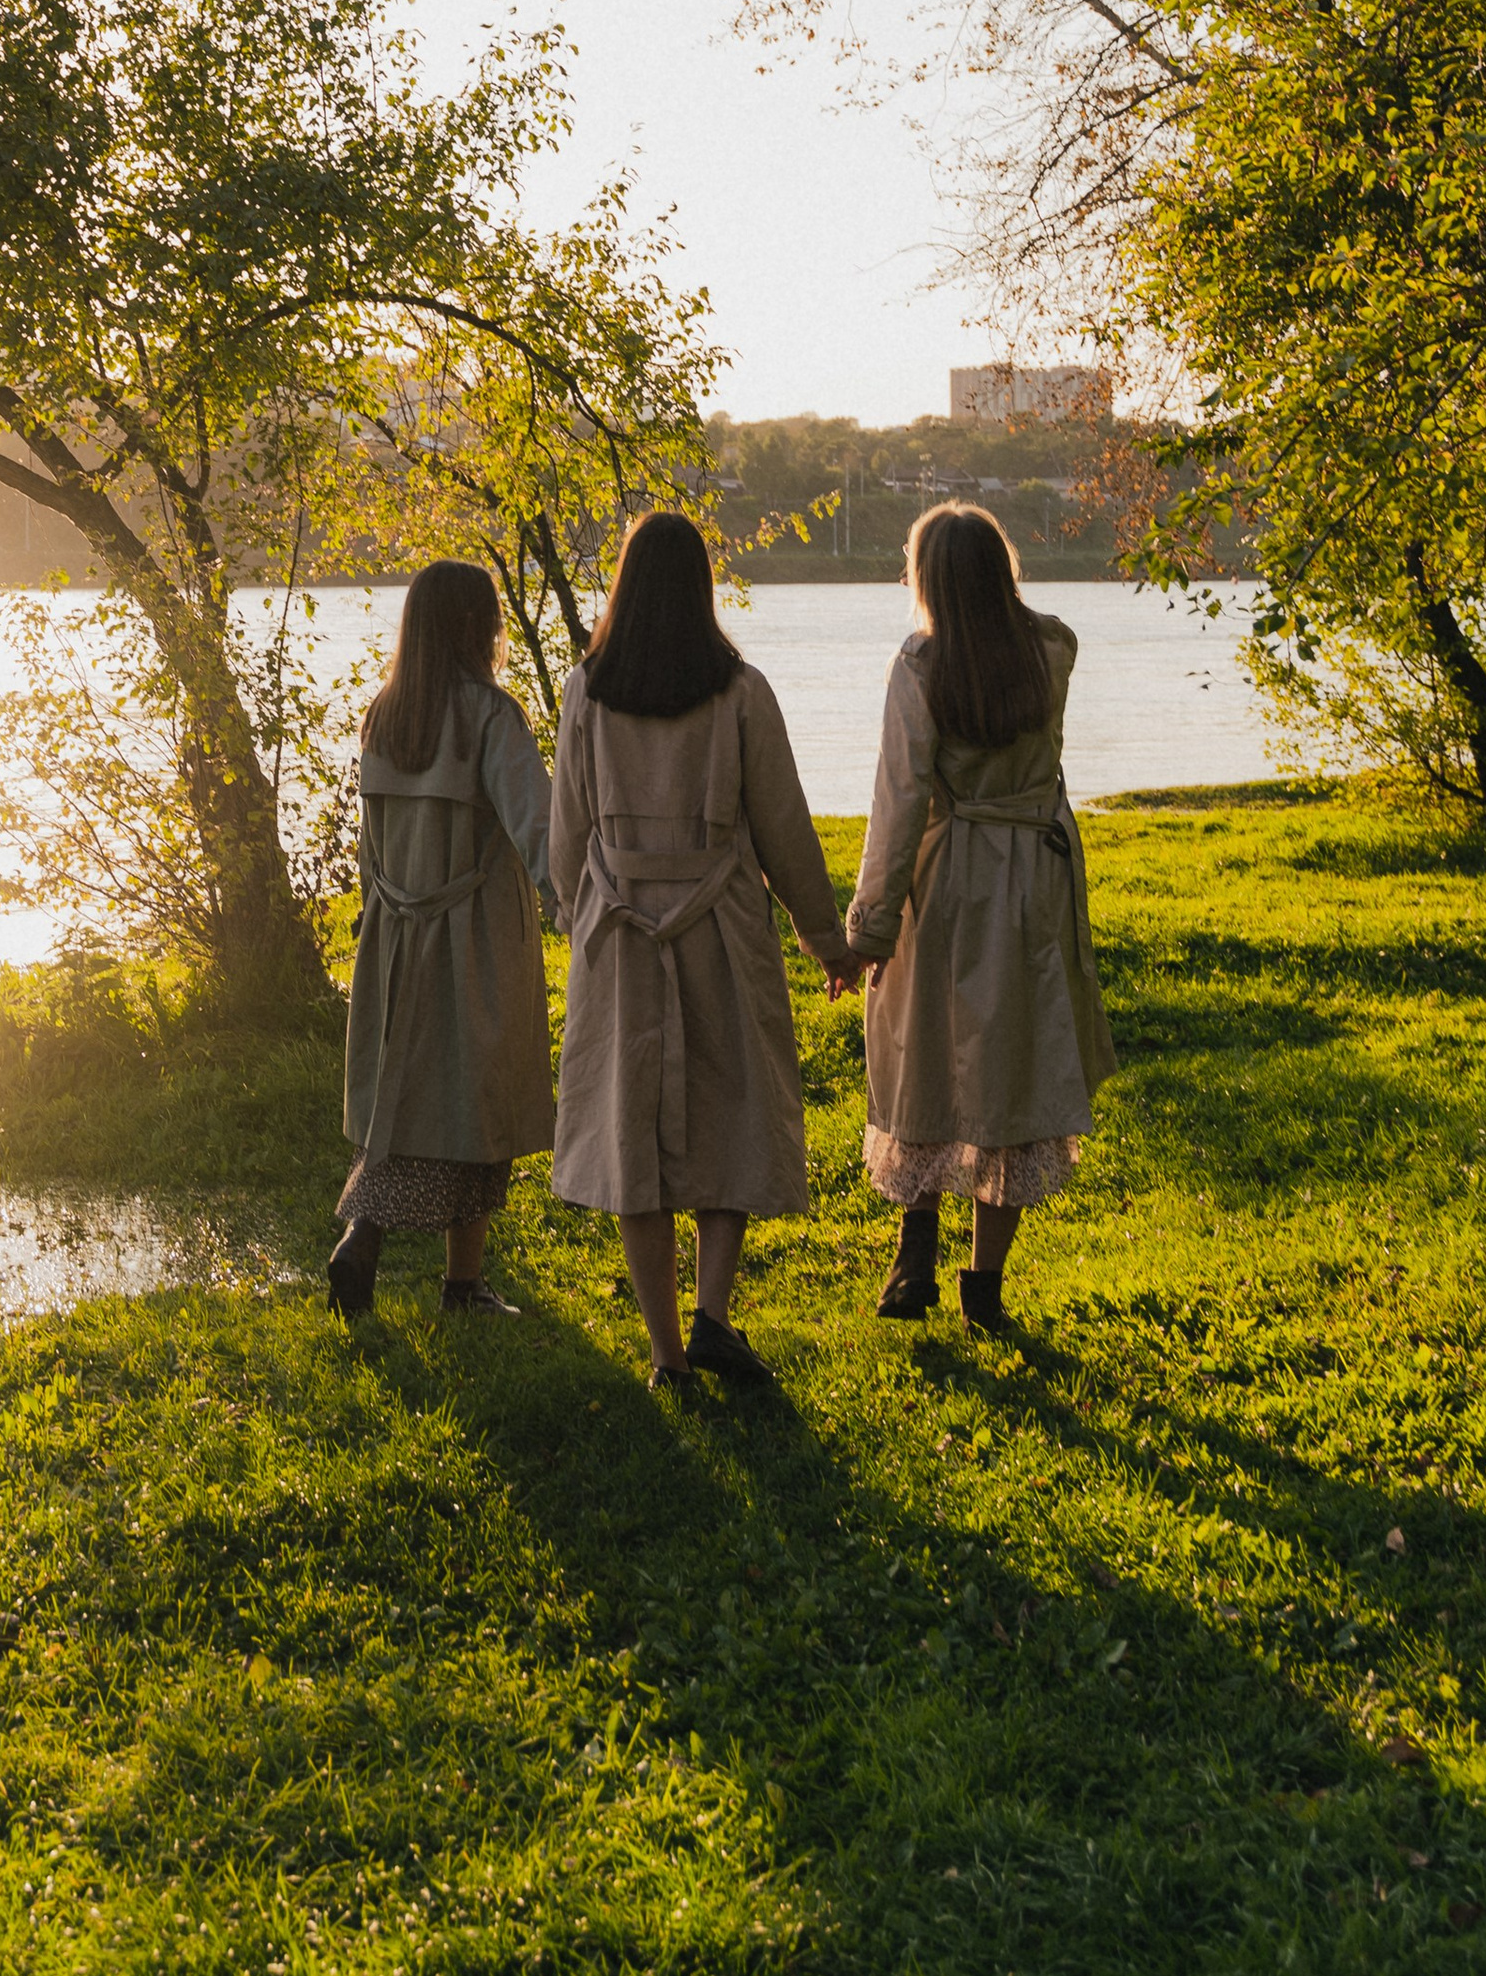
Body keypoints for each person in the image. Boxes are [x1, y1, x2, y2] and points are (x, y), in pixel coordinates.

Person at [548, 511, 856, 1393]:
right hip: (719, 927)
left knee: (629, 1138)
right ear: (702, 586)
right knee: (732, 1112)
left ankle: (668, 1353)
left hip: (619, 936)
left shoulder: (586, 690)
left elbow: (567, 835)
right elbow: (786, 830)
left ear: (625, 586)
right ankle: (713, 1313)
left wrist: (585, 922)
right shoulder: (741, 690)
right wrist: (825, 940)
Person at [845, 502, 1113, 1334]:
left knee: (923, 1051)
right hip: (1032, 871)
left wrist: (869, 928)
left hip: (949, 871)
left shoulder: (922, 664)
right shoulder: (1053, 646)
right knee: (1014, 1068)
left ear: (925, 578)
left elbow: (899, 801)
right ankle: (983, 1285)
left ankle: (914, 1245)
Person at [329, 560, 558, 1319]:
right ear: (471, 627)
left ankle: (461, 1283)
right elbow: (541, 832)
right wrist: (578, 907)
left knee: (420, 1101)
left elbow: (370, 847)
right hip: (474, 941)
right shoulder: (492, 718)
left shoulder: (382, 718)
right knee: (471, 1104)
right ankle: (375, 1239)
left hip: (394, 937)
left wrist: (376, 919)